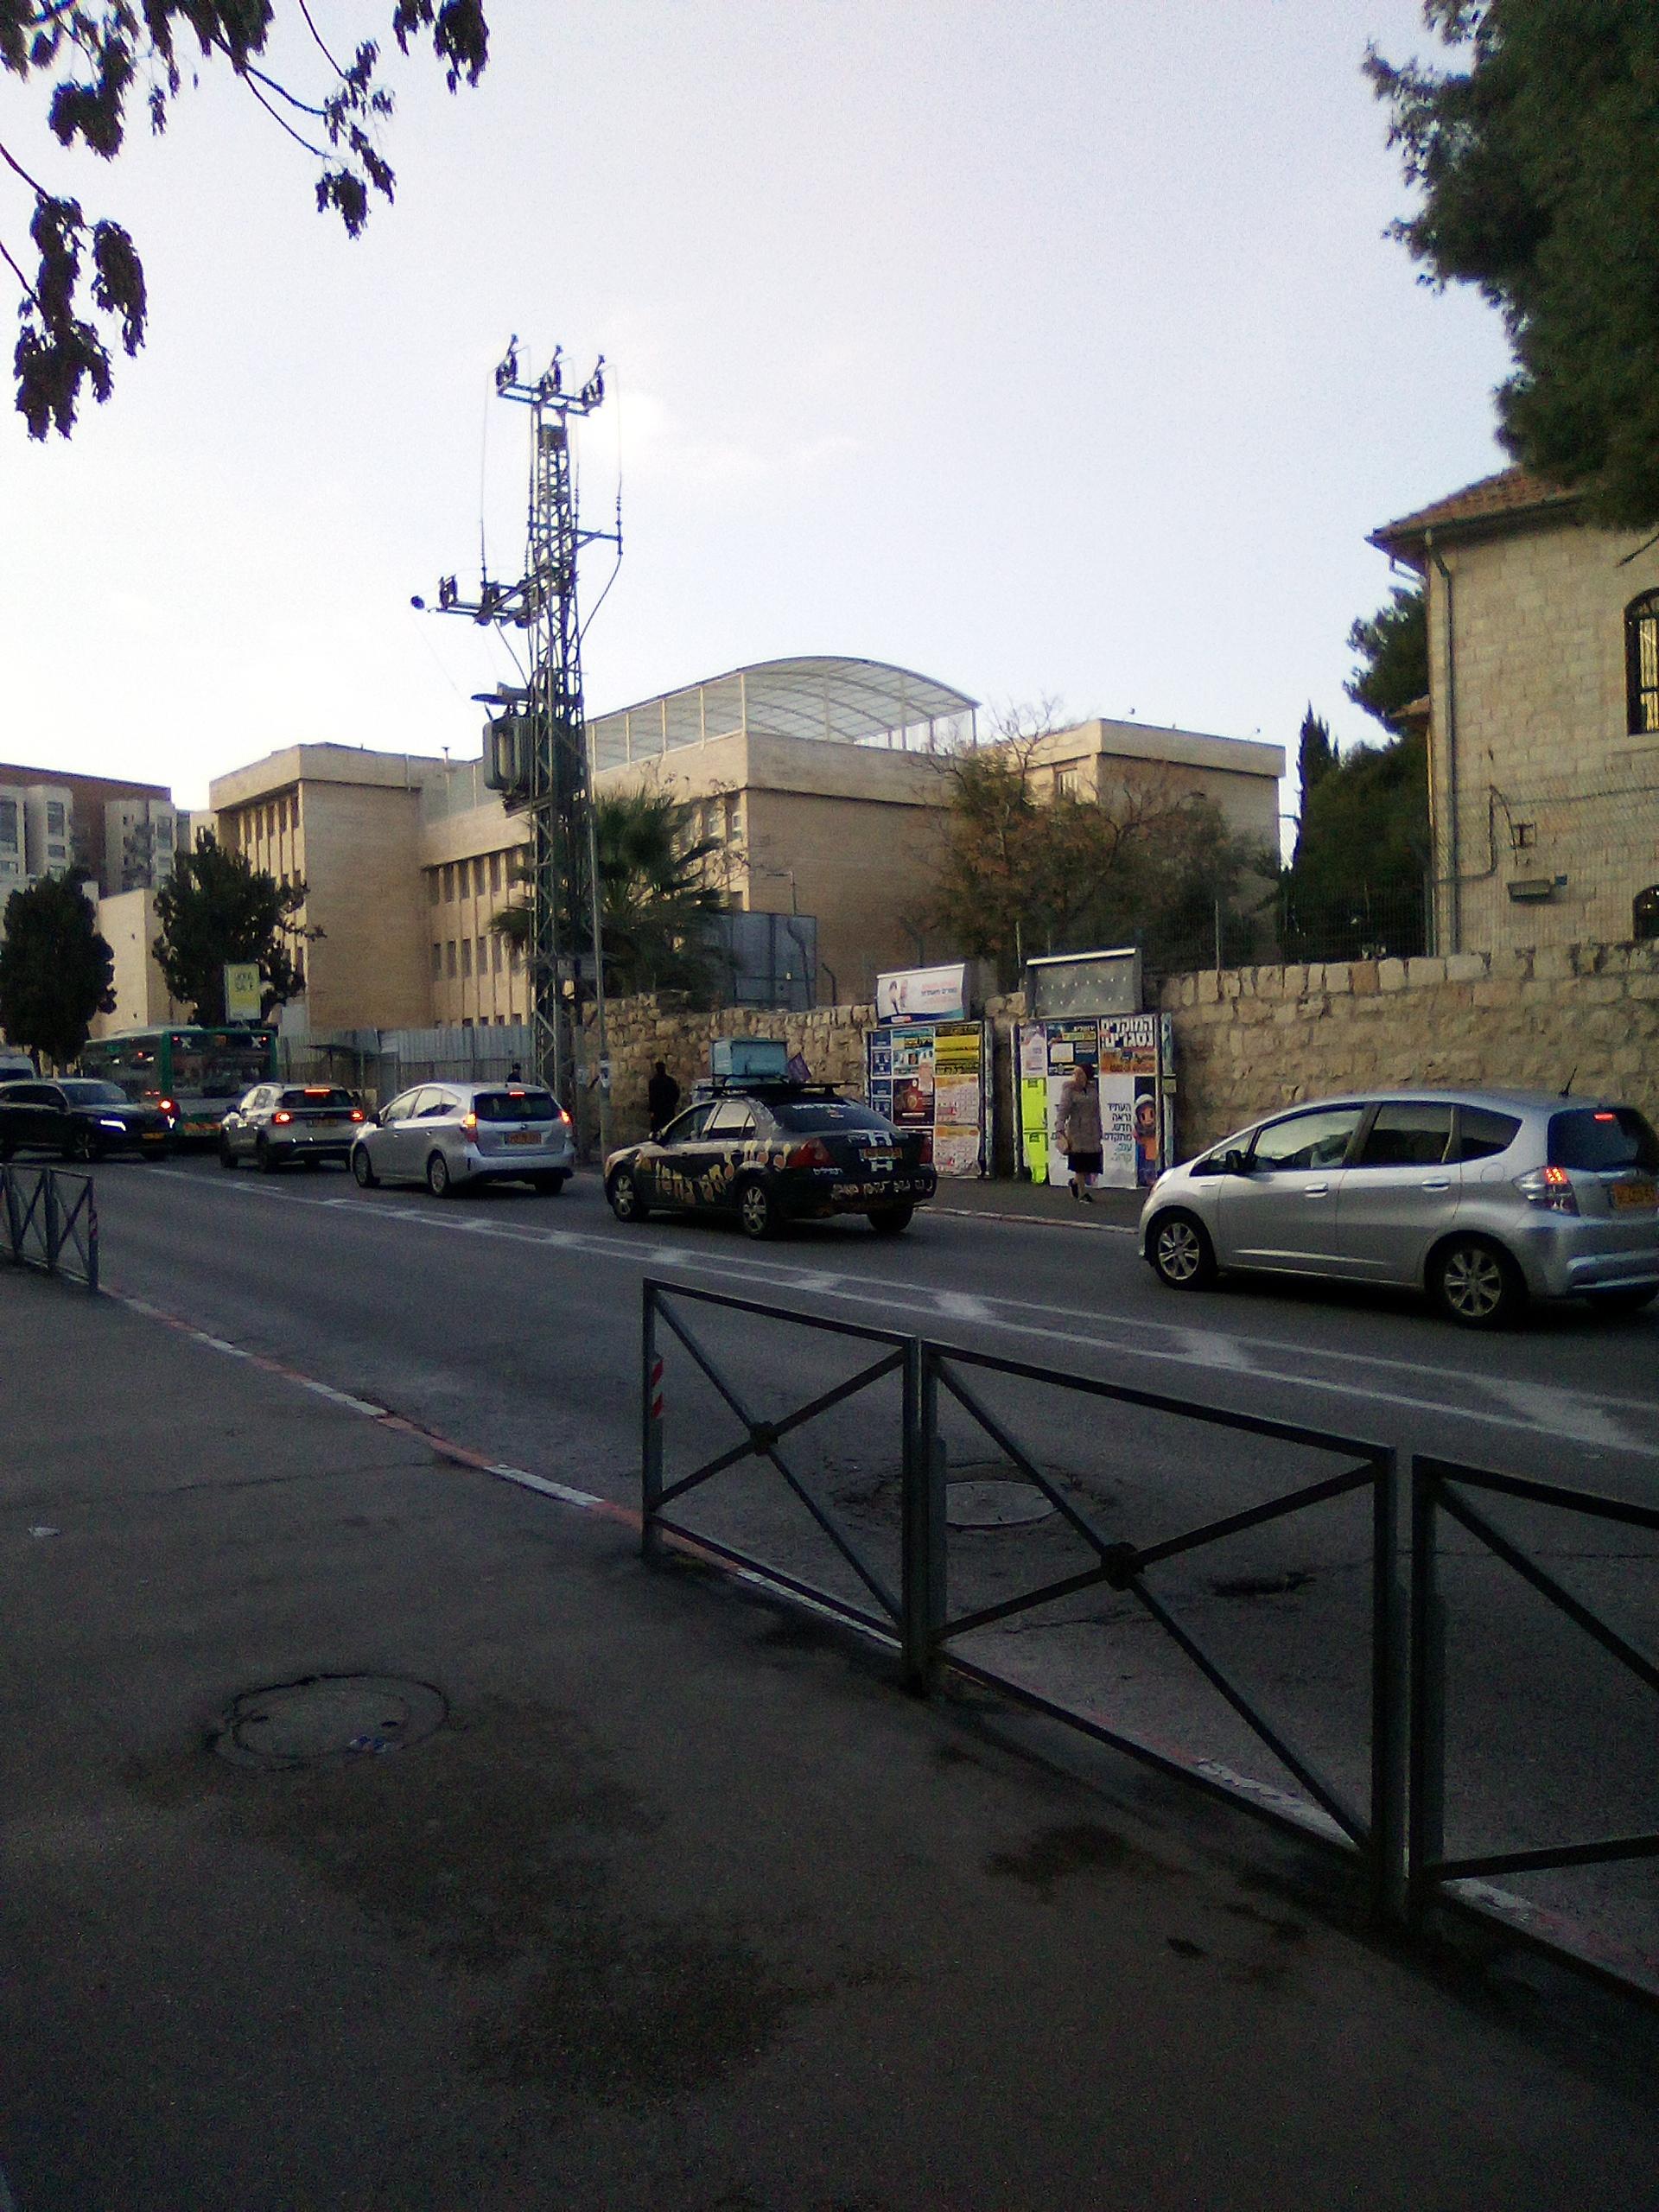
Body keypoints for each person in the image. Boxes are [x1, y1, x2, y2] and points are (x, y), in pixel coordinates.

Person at [1054, 1060, 1104, 1201]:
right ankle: (1082, 1193)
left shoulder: (1093, 1089)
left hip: (1092, 1132)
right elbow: (1063, 1111)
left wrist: (1099, 1129)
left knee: (1090, 1165)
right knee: (1080, 1165)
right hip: (1077, 1132)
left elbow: (1097, 1111)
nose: (1077, 1076)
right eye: (1075, 1073)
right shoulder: (1069, 1090)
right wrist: (1060, 1129)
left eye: (1080, 1073)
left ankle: (1075, 1183)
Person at [646, 1058, 681, 1136]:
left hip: (658, 1111)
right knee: (669, 1129)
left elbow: (652, 1098)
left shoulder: (653, 1082)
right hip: (669, 1110)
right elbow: (676, 1094)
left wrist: (652, 1110)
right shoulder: (670, 1081)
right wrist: (672, 1103)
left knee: (657, 1131)